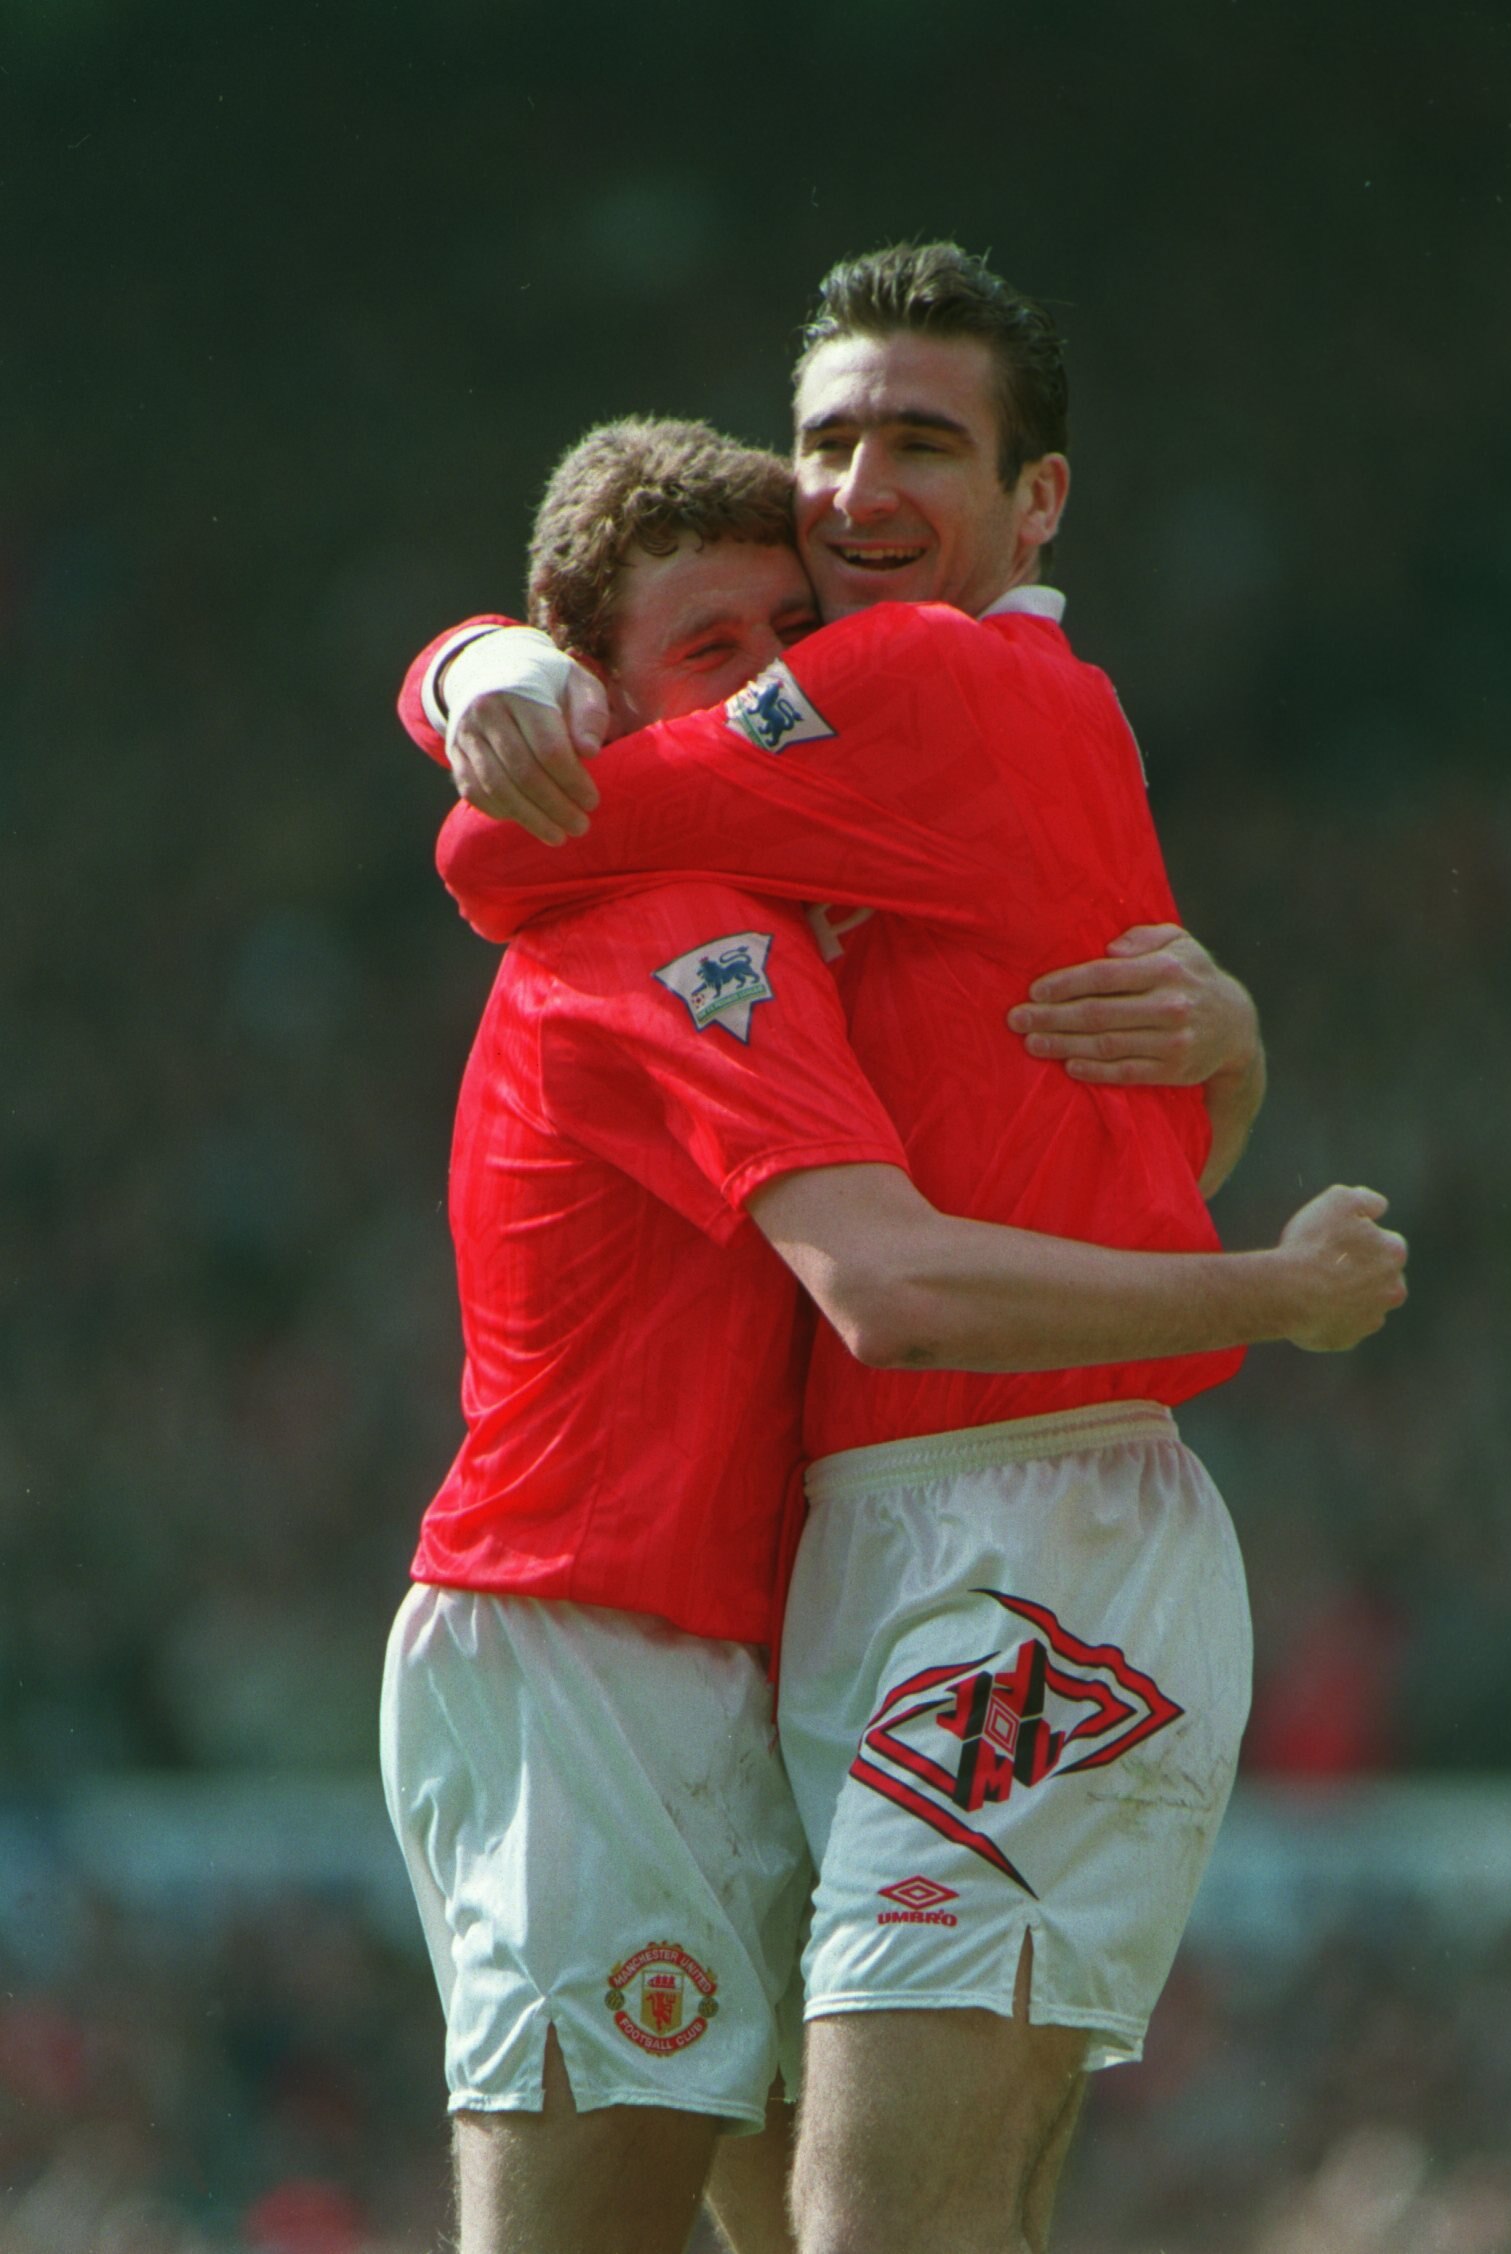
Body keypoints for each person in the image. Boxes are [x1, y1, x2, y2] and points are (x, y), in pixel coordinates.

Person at [397, 254, 1407, 2254]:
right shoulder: (821, 826)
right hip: (810, 1562)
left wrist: (513, 693)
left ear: (1040, 502)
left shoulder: (913, 692)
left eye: (919, 442)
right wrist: (483, 662)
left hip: (998, 1529)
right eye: (830, 438)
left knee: (872, 2218)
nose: (857, 486)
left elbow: (501, 848)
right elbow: (1100, 1114)